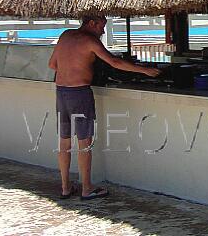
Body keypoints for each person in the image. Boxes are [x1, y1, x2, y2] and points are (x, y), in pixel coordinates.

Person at [48, 16, 160, 200]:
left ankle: (65, 187)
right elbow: (114, 62)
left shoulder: (65, 35)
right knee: (84, 143)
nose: (103, 31)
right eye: (102, 26)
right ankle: (86, 188)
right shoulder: (89, 41)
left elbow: (52, 65)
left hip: (61, 93)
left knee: (64, 141)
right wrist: (144, 70)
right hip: (80, 93)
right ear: (92, 23)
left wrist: (72, 68)